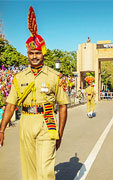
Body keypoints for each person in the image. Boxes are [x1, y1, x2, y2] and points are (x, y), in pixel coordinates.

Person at [0, 6, 69, 180]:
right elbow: (10, 105)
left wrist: (60, 133)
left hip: (47, 123)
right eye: (31, 53)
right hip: (25, 123)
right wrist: (1, 129)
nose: (34, 56)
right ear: (27, 54)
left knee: (45, 172)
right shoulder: (18, 77)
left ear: (43, 53)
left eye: (37, 52)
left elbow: (62, 106)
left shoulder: (55, 76)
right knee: (29, 171)